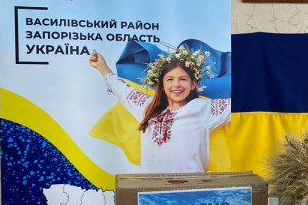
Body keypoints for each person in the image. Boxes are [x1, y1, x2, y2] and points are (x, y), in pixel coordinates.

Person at [89, 45, 230, 172]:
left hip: (191, 187)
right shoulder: (147, 107)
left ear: (193, 84)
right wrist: (101, 66)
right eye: (170, 79)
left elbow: (239, 105)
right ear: (161, 85)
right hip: (153, 188)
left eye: (183, 79)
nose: (176, 85)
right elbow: (122, 90)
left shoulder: (204, 108)